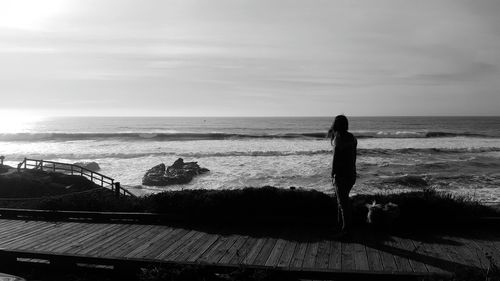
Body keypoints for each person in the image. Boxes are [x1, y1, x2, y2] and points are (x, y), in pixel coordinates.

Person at [328, 115, 357, 235]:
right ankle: (341, 227)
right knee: (343, 201)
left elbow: (336, 159)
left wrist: (332, 173)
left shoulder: (338, 138)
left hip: (341, 175)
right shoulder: (352, 138)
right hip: (351, 174)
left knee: (343, 203)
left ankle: (346, 230)